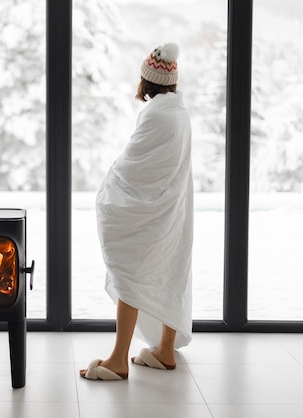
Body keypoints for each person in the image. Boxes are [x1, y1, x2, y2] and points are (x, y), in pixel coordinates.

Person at [80, 43, 193, 381]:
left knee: (129, 271)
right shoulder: (179, 112)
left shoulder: (156, 114)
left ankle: (118, 359)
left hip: (151, 211)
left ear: (147, 80)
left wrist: (110, 182)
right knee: (170, 271)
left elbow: (133, 165)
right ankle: (164, 351)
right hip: (173, 207)